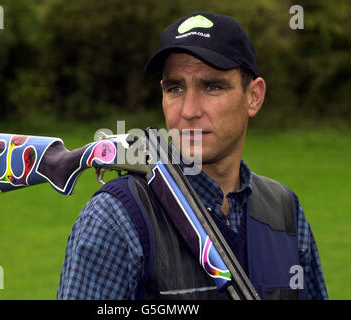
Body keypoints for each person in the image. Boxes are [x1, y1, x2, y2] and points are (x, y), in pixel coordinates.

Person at [57, 11, 328, 300]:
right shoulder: (114, 217)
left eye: (212, 86)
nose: (188, 111)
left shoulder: (286, 211)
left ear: (254, 97)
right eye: (175, 88)